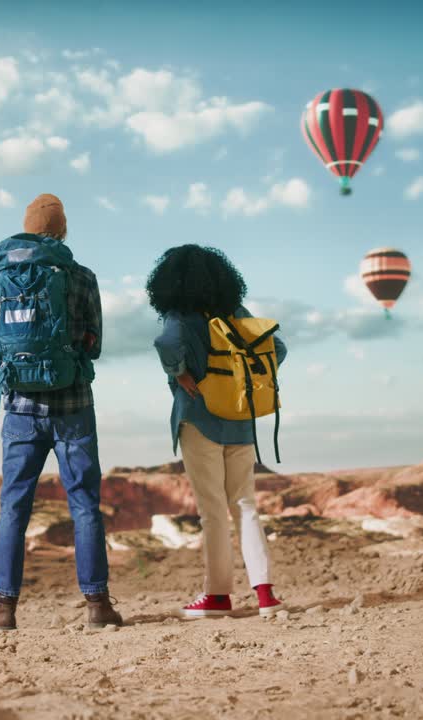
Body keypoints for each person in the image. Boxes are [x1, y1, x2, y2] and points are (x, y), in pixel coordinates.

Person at [0, 194, 122, 631]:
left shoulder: (2, 276)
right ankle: (97, 606)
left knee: (13, 508)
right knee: (84, 506)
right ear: (62, 230)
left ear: (25, 229)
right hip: (74, 404)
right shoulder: (81, 276)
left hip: (20, 408)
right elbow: (95, 344)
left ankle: (3, 609)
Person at [147, 244, 286, 618]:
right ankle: (265, 594)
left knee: (213, 511)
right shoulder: (234, 312)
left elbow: (167, 342)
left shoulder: (179, 315)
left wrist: (180, 372)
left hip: (198, 418)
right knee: (245, 505)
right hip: (241, 421)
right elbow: (279, 348)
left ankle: (218, 596)